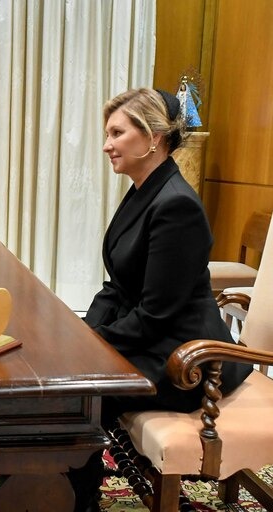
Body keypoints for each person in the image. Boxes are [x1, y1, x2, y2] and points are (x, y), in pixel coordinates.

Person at [73, 88, 253, 512]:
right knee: (75, 376)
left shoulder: (177, 206)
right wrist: (84, 334)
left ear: (153, 137)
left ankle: (78, 501)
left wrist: (88, 349)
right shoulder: (144, 190)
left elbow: (155, 315)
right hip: (156, 341)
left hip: (186, 360)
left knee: (79, 394)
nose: (107, 145)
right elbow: (117, 286)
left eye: (117, 133)